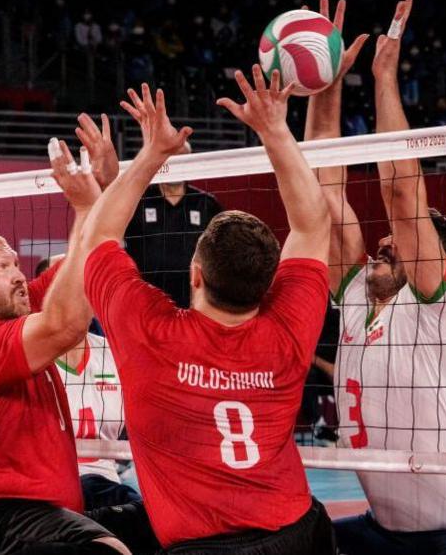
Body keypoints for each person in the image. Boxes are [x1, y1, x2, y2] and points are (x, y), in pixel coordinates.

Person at [74, 66, 334, 552]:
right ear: (269, 282)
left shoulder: (148, 335)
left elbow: (97, 236)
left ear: (196, 273)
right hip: (299, 534)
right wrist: (276, 130)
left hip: (204, 546)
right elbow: (314, 224)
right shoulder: (288, 330)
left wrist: (151, 152)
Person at [308, 0, 446, 553]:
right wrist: (324, 81)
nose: (383, 241)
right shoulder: (357, 293)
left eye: (400, 242)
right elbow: (321, 191)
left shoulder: (440, 301)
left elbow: (401, 191)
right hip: (387, 532)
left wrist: (384, 77)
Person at [0, 148, 129, 555]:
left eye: (15, 263)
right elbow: (65, 324)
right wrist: (88, 207)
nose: (18, 274)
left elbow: (83, 266)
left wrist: (104, 193)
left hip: (23, 514)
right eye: (2, 267)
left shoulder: (10, 310)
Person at [39, 254, 140, 511]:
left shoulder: (116, 354)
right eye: (66, 285)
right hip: (47, 490)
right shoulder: (28, 357)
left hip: (107, 487)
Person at [123, 153, 222, 308]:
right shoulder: (138, 201)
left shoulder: (205, 204)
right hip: (145, 300)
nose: (176, 165)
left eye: (181, 159)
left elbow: (219, 254)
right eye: (171, 159)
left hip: (193, 300)